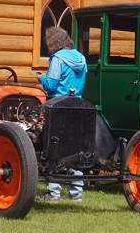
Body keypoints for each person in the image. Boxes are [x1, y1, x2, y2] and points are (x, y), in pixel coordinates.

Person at [36, 26, 88, 203]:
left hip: (58, 106)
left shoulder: (57, 59)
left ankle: (53, 193)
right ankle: (76, 192)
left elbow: (51, 85)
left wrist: (41, 78)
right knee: (76, 149)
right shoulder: (81, 58)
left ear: (52, 43)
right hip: (78, 105)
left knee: (55, 149)